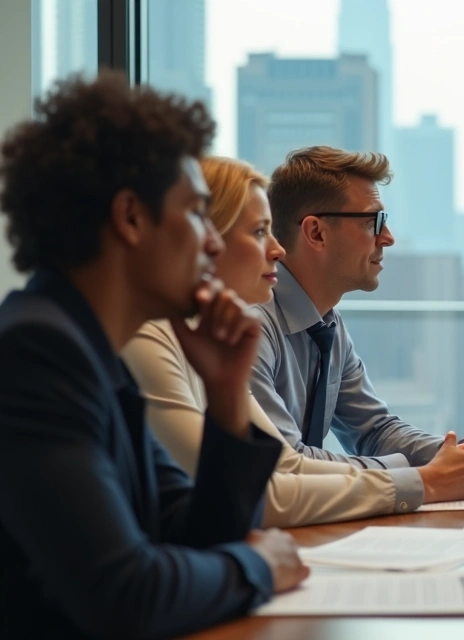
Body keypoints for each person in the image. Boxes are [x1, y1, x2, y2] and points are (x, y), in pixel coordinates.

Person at [0, 73, 307, 638]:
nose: (212, 241)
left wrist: (225, 394)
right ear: (132, 218)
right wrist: (259, 566)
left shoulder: (94, 355)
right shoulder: (35, 355)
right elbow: (126, 593)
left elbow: (191, 533)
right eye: (195, 213)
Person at [123, 156, 437, 527]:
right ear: (208, 240)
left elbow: (269, 472)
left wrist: (452, 459)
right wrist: (422, 482)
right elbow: (267, 483)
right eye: (259, 232)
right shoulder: (156, 334)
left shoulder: (209, 334)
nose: (277, 249)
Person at [250, 146, 464, 509]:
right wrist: (419, 475)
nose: (388, 237)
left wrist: (455, 454)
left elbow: (374, 430)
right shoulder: (253, 322)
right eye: (374, 221)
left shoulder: (327, 324)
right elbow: (288, 464)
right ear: (316, 232)